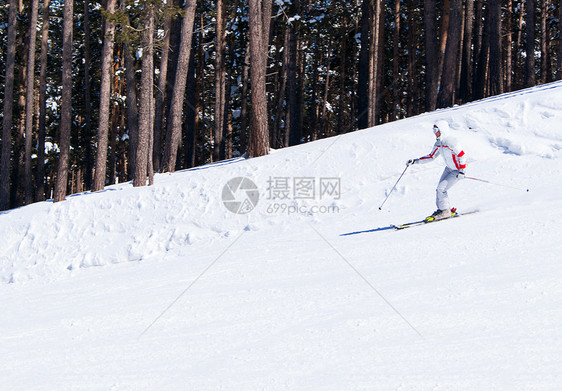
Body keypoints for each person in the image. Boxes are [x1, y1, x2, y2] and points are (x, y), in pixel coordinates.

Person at [407, 121, 467, 221]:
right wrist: (415, 161)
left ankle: (445, 211)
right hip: (449, 169)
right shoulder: (439, 144)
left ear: (442, 130)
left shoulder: (451, 142)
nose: (435, 133)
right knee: (440, 189)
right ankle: (443, 209)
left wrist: (462, 171)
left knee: (441, 189)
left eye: (436, 130)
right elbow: (431, 156)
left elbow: (462, 155)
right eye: (433, 130)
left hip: (457, 171)